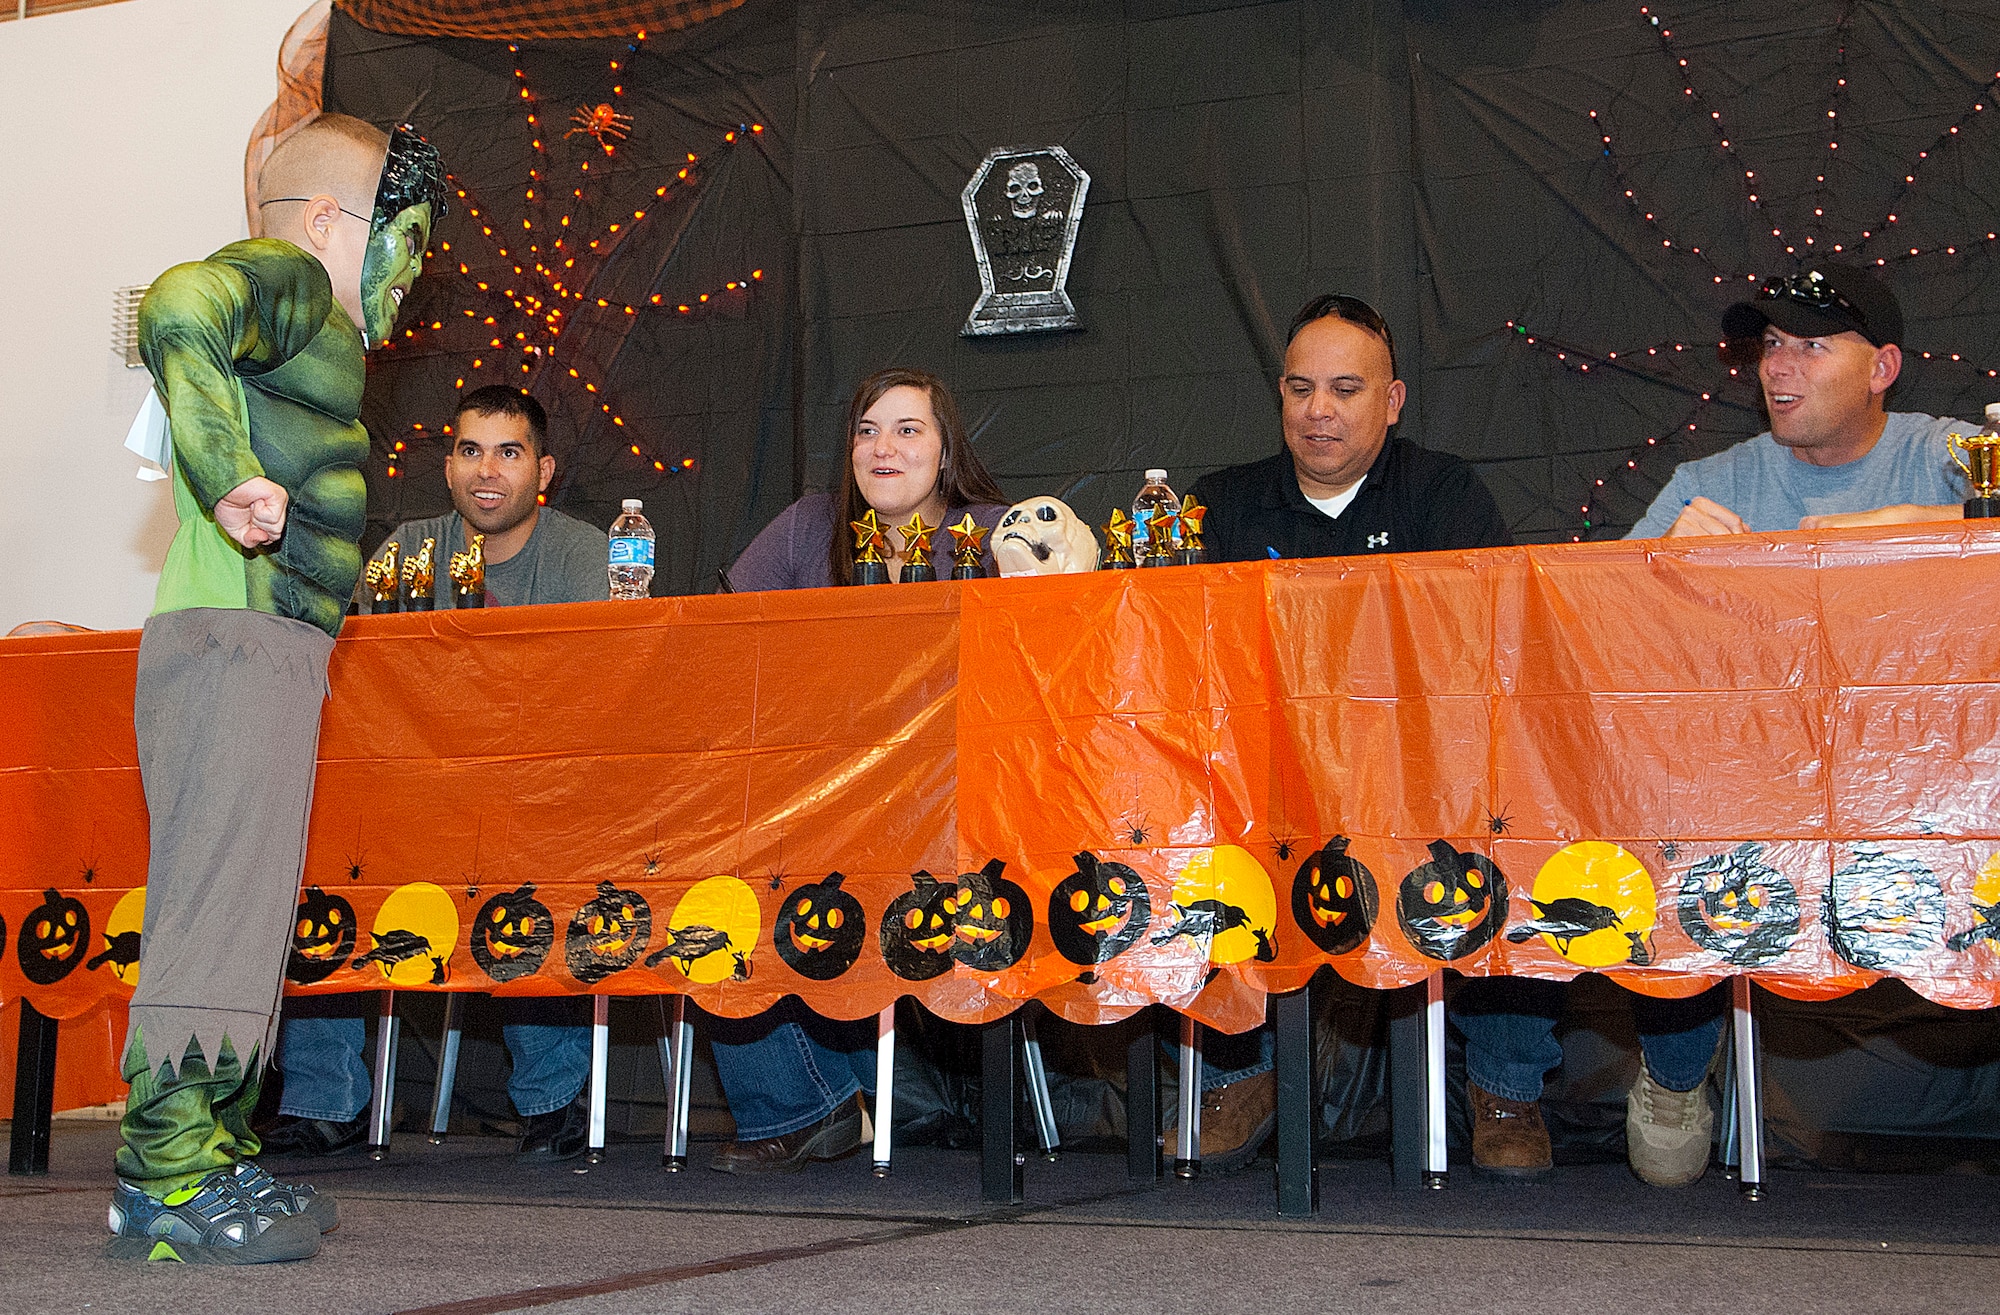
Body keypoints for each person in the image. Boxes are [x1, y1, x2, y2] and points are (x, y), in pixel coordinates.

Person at [1468, 261, 1970, 1190]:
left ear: (1883, 366)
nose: (1780, 366)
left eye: (1812, 345)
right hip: (1739, 793)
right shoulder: (1714, 477)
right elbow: (1594, 625)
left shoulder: (1944, 454)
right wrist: (1664, 569)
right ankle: (1672, 1064)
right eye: (1771, 345)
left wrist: (1867, 533)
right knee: (1550, 800)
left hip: (1914, 784)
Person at [112, 113, 446, 1264]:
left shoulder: (315, 325)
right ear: (324, 222)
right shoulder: (292, 277)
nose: (411, 270)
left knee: (248, 903)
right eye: (399, 240)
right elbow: (173, 308)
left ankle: (208, 1146)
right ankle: (165, 1177)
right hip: (235, 636)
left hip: (271, 644)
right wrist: (225, 474)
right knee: (217, 899)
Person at [1184, 294, 1512, 1172]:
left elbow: (1485, 654)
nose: (1317, 411)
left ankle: (1508, 1087)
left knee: (1522, 818)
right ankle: (1240, 1068)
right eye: (1299, 389)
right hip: (1268, 782)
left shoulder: (1446, 494)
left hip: (1425, 777)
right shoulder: (1216, 507)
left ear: (1394, 400)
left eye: (1343, 389)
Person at [263, 385, 608, 1162]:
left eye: (509, 452)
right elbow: (351, 680)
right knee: (320, 850)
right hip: (412, 801)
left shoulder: (588, 555)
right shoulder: (402, 553)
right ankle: (326, 1100)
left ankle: (556, 1100)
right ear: (448, 467)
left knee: (530, 851)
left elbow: (602, 692)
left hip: (533, 799)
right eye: (470, 450)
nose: (488, 470)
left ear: (543, 470)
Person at [712, 366, 1008, 1171]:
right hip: (820, 793)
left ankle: (869, 1093)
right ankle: (813, 1101)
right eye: (867, 430)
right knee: (720, 870)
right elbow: (731, 640)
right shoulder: (812, 527)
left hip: (956, 796)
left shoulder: (994, 532)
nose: (883, 447)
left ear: (946, 453)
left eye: (908, 429)